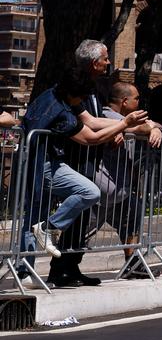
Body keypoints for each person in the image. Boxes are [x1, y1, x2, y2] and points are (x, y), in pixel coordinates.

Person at [22, 72, 149, 288]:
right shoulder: (62, 112)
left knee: (37, 214)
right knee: (85, 194)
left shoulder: (52, 95)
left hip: (47, 160)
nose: (81, 104)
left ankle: (29, 265)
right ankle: (44, 237)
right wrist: (124, 123)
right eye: (81, 99)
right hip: (43, 163)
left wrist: (126, 126)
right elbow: (92, 137)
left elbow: (91, 121)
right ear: (74, 95)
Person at [91, 82, 161, 278]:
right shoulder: (107, 117)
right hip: (101, 190)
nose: (139, 102)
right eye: (136, 98)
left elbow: (153, 125)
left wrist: (155, 129)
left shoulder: (123, 120)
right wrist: (151, 128)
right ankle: (63, 268)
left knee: (133, 215)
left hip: (120, 191)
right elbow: (141, 127)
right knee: (81, 232)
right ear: (124, 101)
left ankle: (132, 264)